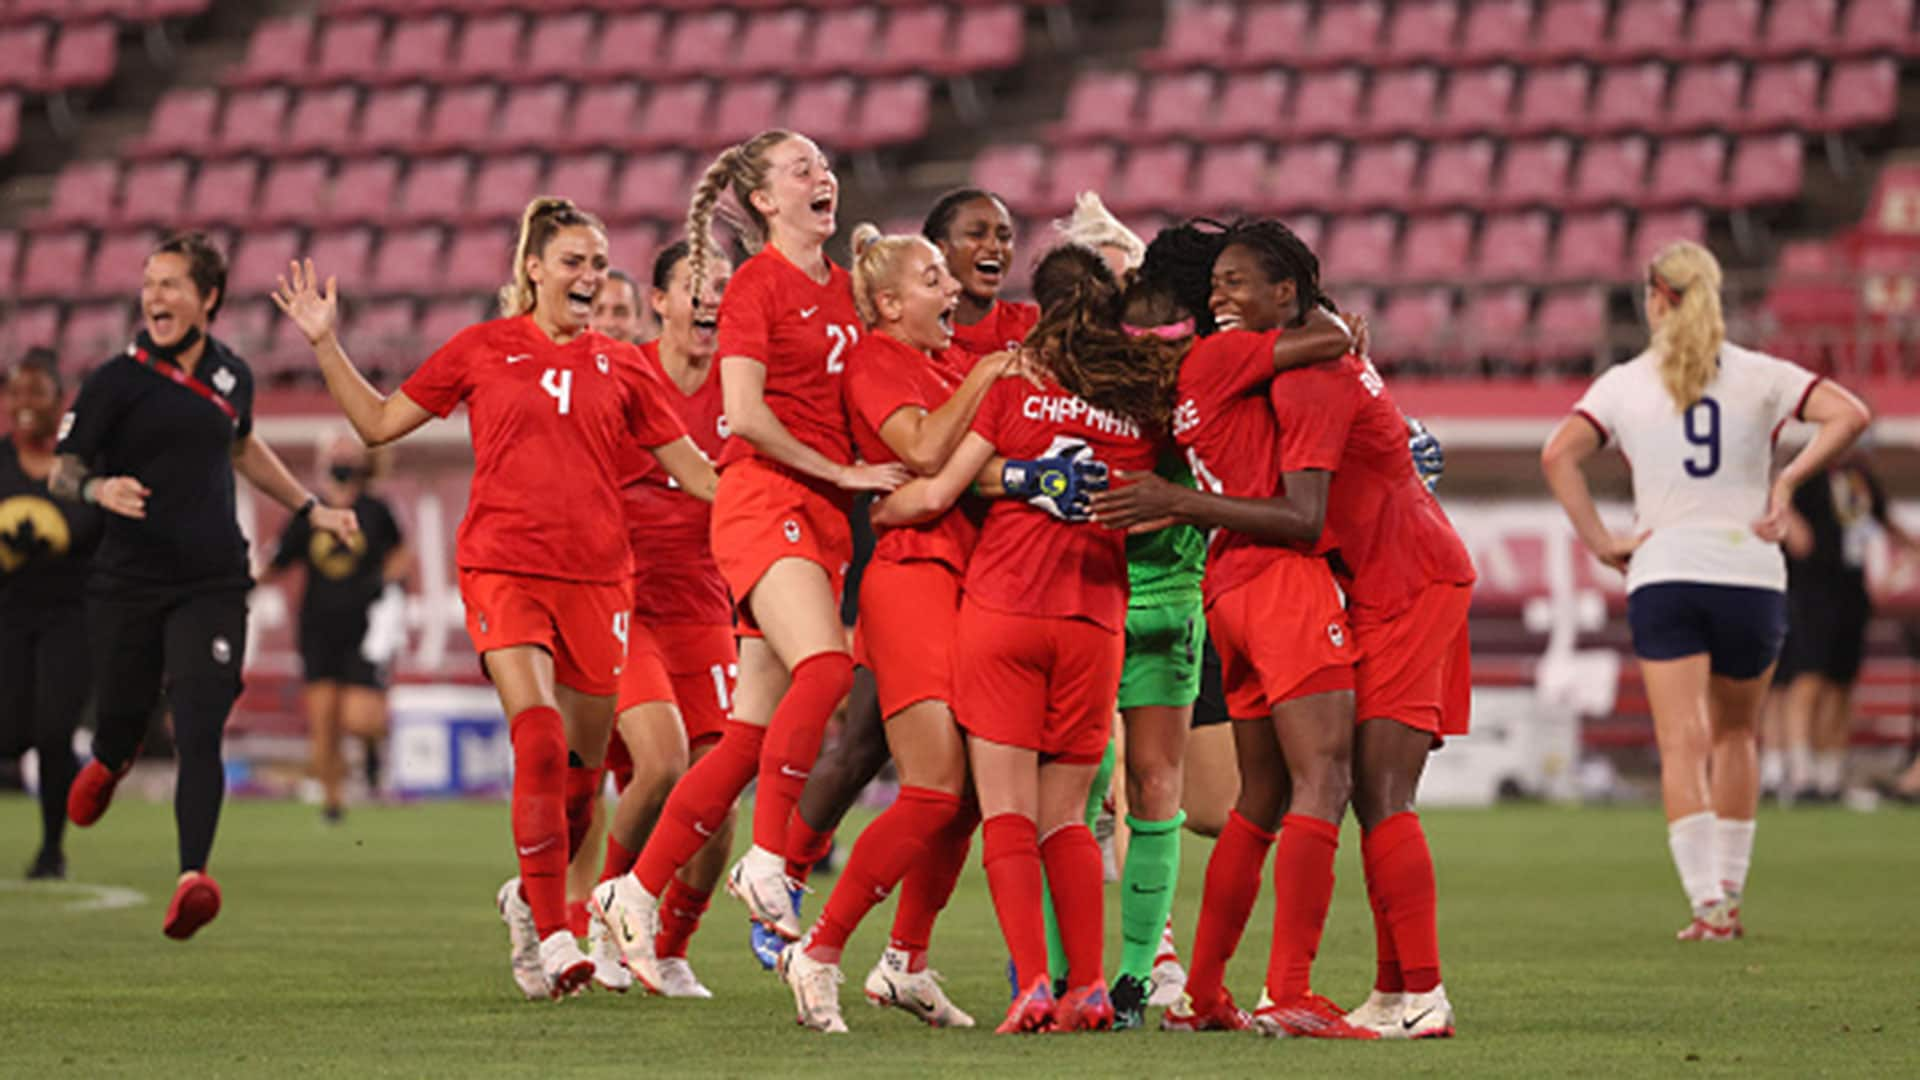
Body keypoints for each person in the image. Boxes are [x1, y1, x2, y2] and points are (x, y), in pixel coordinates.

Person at [275, 196, 719, 999]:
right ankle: (553, 934)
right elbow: (377, 424)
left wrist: (791, 494)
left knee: (581, 779)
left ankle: (528, 899)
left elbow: (694, 471)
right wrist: (325, 345)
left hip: (599, 583)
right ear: (534, 269)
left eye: (598, 262)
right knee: (539, 735)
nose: (589, 276)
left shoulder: (626, 367)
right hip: (503, 569)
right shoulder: (482, 349)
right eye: (574, 261)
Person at [592, 130, 907, 989]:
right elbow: (746, 416)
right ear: (764, 200)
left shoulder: (845, 291)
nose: (824, 177)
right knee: (829, 671)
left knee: (743, 739)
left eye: (825, 165)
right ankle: (771, 857)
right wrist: (845, 469)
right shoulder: (756, 287)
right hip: (764, 498)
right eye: (801, 169)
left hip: (825, 518)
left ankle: (634, 889)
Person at [1090, 221, 1385, 1039]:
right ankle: (1289, 988)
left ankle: (1202, 992)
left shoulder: (1198, 368)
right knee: (1325, 781)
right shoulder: (1254, 356)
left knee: (1258, 799)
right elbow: (1324, 341)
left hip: (1225, 588)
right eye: (1217, 284)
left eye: (1237, 282)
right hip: (1281, 577)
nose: (1225, 298)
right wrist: (1322, 324)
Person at [869, 243, 1165, 1034]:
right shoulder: (1139, 403)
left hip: (1004, 610)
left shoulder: (1018, 387)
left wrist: (884, 509)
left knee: (1004, 811)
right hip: (1094, 620)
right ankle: (1092, 987)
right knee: (1067, 816)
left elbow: (937, 488)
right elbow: (1175, 495)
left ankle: (1034, 982)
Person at [1542, 240, 1869, 942]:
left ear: (1657, 297)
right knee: (1736, 733)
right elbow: (1851, 414)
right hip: (1750, 574)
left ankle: (1706, 906)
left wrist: (1601, 541)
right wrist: (1787, 482)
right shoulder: (1760, 374)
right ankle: (1731, 892)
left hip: (1665, 572)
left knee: (1681, 740)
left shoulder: (1627, 381)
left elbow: (1557, 454)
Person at [53, 231, 359, 940]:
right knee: (126, 717)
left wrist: (310, 508)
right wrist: (99, 487)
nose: (155, 296)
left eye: (171, 284)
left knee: (199, 724)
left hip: (213, 581)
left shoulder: (232, 377)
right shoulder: (114, 382)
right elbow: (62, 471)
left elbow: (243, 445)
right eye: (149, 282)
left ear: (207, 297)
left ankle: (193, 877)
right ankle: (109, 756)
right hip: (126, 583)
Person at [779, 224, 1019, 1033]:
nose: (952, 289)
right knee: (930, 788)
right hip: (912, 579)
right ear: (887, 304)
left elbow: (974, 466)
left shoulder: (949, 364)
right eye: (932, 279)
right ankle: (818, 949)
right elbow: (918, 443)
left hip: (966, 582)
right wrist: (987, 373)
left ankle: (906, 962)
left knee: (973, 795)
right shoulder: (878, 360)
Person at [582, 241, 739, 999]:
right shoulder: (623, 373)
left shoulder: (746, 386)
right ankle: (603, 917)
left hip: (707, 603)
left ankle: (672, 945)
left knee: (717, 787)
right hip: (625, 599)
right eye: (697, 287)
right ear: (661, 302)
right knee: (665, 762)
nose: (711, 301)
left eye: (723, 289)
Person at [262, 433, 408, 823]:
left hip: (364, 627)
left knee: (362, 719)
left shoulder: (376, 511)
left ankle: (372, 754)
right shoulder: (308, 511)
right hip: (318, 627)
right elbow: (278, 559)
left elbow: (399, 553)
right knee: (323, 720)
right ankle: (333, 802)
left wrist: (391, 590)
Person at [1, 349, 103, 880]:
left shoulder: (80, 465)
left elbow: (99, 530)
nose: (23, 403)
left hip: (70, 617)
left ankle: (51, 848)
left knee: (53, 729)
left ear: (58, 401)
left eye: (35, 393)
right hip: (9, 618)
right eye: (16, 392)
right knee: (11, 730)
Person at [1766, 453, 1918, 802]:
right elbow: (1780, 506)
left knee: (1841, 682)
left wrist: (1910, 548)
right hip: (1810, 590)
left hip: (1850, 588)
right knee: (1808, 678)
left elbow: (1880, 518)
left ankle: (1829, 772)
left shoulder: (1857, 476)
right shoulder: (1804, 472)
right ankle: (1800, 771)